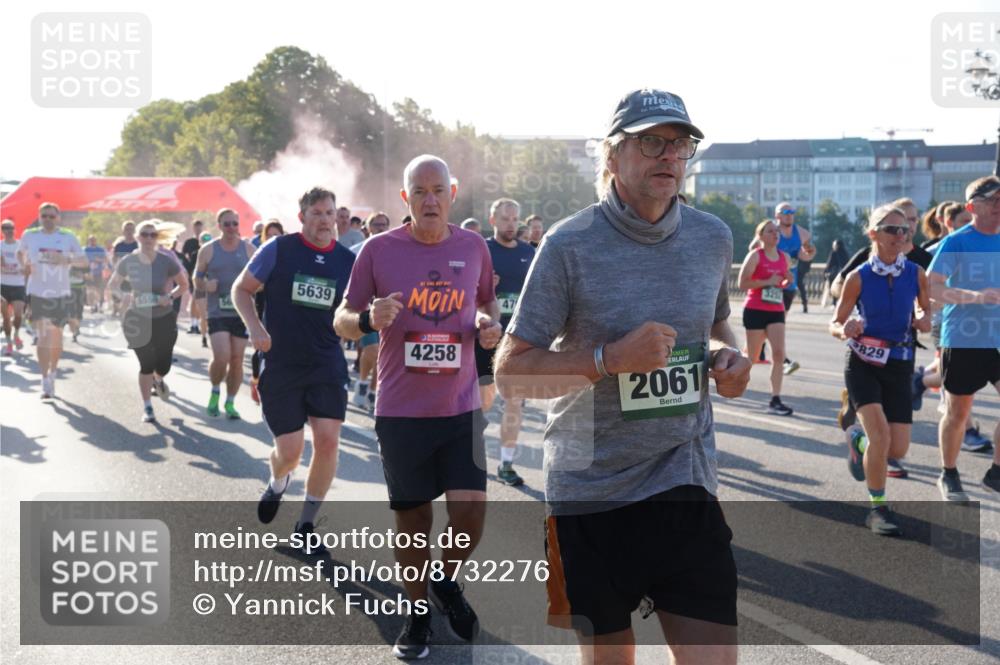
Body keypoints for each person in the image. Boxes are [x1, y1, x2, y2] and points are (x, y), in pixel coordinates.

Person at [495, 89, 750, 665]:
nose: (668, 155)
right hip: (591, 490)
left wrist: (722, 359)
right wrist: (608, 359)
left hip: (683, 479)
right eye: (651, 141)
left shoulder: (712, 236)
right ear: (612, 156)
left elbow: (713, 325)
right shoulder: (568, 243)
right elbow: (511, 373)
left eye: (680, 144)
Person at [335, 154, 501, 660]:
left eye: (438, 190)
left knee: (471, 515)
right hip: (402, 412)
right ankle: (417, 613)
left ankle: (445, 580)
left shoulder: (473, 247)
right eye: (419, 192)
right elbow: (341, 319)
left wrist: (488, 326)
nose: (430, 200)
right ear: (405, 199)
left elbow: (489, 302)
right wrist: (367, 318)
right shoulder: (377, 250)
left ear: (453, 193)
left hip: (461, 406)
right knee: (414, 524)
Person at [234, 187, 355, 553]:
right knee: (290, 452)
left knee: (328, 441)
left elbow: (356, 309)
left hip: (326, 362)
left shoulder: (347, 261)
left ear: (337, 217)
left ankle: (306, 525)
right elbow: (242, 289)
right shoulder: (279, 249)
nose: (324, 220)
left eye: (329, 213)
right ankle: (277, 481)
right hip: (282, 362)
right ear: (301, 216)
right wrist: (256, 328)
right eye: (316, 213)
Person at [830, 204, 931, 535]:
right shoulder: (858, 278)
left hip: (900, 364)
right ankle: (877, 509)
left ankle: (858, 440)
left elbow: (926, 314)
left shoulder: (917, 274)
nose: (900, 236)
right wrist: (845, 328)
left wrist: (923, 320)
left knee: (897, 449)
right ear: (873, 234)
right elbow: (835, 321)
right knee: (882, 438)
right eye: (891, 230)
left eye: (904, 231)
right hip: (863, 363)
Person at [927, 176, 1000, 499]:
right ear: (973, 207)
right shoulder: (956, 241)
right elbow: (933, 288)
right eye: (994, 200)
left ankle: (996, 473)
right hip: (964, 338)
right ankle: (948, 473)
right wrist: (976, 296)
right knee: (958, 413)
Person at [911, 202, 992, 452]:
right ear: (947, 222)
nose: (967, 224)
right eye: (961, 220)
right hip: (946, 323)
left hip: (986, 329)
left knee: (947, 374)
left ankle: (919, 381)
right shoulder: (937, 249)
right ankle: (965, 431)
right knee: (954, 382)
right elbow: (926, 289)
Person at [475, 197, 535, 485]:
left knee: (514, 402)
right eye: (505, 219)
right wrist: (484, 288)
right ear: (493, 221)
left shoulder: (529, 253)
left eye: (514, 219)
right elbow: (466, 295)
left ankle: (506, 464)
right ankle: (470, 449)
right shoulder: (482, 250)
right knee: (484, 402)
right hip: (486, 335)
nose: (510, 224)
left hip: (516, 340)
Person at [109, 221, 188, 423]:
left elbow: (183, 285)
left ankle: (159, 379)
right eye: (145, 234)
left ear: (157, 238)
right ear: (137, 237)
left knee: (163, 364)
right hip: (137, 317)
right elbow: (113, 285)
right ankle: (147, 407)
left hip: (163, 317)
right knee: (146, 363)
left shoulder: (165, 261)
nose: (149, 238)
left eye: (153, 235)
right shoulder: (128, 260)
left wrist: (169, 297)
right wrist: (123, 296)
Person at [18, 203, 84, 399]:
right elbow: (20, 253)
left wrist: (66, 260)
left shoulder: (68, 236)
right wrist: (24, 265)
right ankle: (45, 378)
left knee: (55, 338)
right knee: (43, 335)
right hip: (37, 292)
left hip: (60, 293)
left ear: (58, 218)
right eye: (44, 216)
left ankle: (53, 371)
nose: (48, 219)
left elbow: (83, 261)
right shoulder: (29, 235)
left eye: (51, 216)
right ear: (39, 217)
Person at [194, 208, 256, 419]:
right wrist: (205, 284)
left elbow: (259, 277)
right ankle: (214, 392)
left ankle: (230, 402)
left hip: (241, 312)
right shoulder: (209, 250)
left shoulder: (248, 249)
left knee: (237, 360)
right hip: (217, 311)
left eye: (235, 223)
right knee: (222, 357)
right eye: (227, 224)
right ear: (219, 226)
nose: (231, 228)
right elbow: (196, 278)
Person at [738, 220, 795, 415]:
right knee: (752, 357)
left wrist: (788, 280)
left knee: (778, 353)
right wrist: (767, 281)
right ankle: (735, 380)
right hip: (755, 309)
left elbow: (783, 278)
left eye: (776, 231)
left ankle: (775, 399)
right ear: (761, 236)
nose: (775, 234)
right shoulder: (755, 256)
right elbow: (742, 284)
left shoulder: (784, 257)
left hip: (776, 309)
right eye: (770, 231)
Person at [349, 212, 390, 411]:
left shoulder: (396, 252)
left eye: (384, 224)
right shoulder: (356, 251)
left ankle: (373, 391)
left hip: (388, 310)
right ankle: (363, 382)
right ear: (367, 227)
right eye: (376, 224)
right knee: (372, 351)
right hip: (365, 310)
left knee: (383, 355)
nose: (381, 228)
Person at [249, 220, 285, 405]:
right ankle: (256, 380)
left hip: (283, 307)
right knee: (261, 346)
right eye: (269, 235)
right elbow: (249, 285)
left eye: (277, 235)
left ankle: (276, 387)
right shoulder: (261, 256)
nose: (273, 239)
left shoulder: (288, 256)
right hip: (263, 303)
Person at [1, 219, 27, 355]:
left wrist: (24, 268)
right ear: (2, 231)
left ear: (14, 230)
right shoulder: (0, 246)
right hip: (3, 285)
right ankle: (8, 342)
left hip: (18, 284)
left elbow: (27, 263)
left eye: (10, 228)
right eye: (5, 228)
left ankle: (16, 335)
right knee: (5, 317)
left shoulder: (20, 245)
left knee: (18, 314)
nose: (8, 230)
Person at [111, 221, 139, 317]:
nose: (129, 231)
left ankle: (129, 312)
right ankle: (116, 309)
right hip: (121, 274)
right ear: (123, 231)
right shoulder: (119, 245)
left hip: (134, 275)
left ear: (134, 231)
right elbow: (114, 259)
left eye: (131, 229)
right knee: (117, 292)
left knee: (131, 296)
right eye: (127, 229)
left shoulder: (138, 245)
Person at [181, 219, 204, 334]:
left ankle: (199, 324)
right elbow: (183, 256)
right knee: (194, 299)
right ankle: (193, 324)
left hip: (205, 274)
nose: (198, 229)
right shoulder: (189, 242)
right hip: (192, 274)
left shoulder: (206, 240)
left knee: (201, 300)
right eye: (196, 227)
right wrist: (187, 267)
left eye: (200, 227)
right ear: (193, 228)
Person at [83, 235, 109, 313]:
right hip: (88, 272)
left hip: (99, 272)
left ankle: (100, 305)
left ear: (96, 241)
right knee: (90, 289)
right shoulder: (85, 249)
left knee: (99, 289)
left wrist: (97, 260)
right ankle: (93, 306)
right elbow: (82, 260)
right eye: (91, 240)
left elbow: (106, 260)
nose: (92, 242)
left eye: (94, 240)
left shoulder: (100, 249)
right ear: (88, 241)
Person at [820, 239, 848, 309]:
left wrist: (825, 272)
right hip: (842, 274)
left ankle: (834, 302)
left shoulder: (834, 253)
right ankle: (840, 303)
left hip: (833, 274)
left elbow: (829, 263)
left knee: (833, 288)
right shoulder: (845, 253)